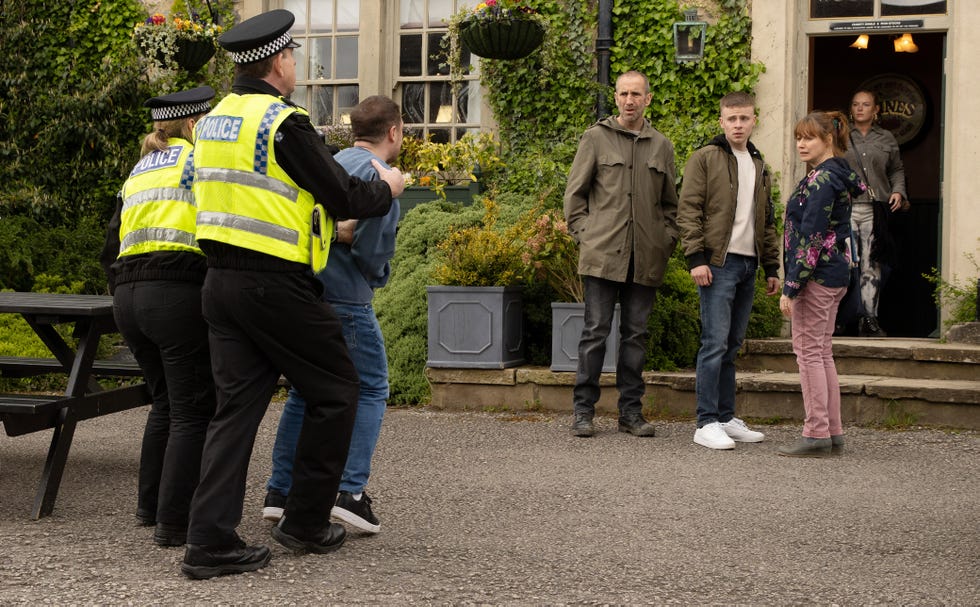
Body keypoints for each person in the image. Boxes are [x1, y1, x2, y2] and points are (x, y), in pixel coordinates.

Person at [179, 9, 404, 580]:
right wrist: (387, 186)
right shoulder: (282, 123)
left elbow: (270, 200)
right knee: (337, 387)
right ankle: (304, 520)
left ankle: (208, 541)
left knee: (234, 412)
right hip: (274, 286)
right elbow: (342, 193)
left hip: (220, 285)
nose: (298, 65)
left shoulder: (213, 121)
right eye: (294, 56)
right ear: (280, 60)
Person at [262, 95, 403, 535]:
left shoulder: (324, 163)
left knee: (305, 393)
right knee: (372, 387)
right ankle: (349, 492)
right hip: (349, 299)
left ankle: (280, 491)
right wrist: (377, 271)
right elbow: (372, 253)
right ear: (395, 132)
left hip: (306, 294)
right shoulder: (381, 178)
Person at [100, 86, 217, 547]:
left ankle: (149, 506)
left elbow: (111, 243)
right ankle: (175, 522)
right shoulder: (196, 161)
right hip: (175, 292)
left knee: (166, 403)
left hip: (128, 296)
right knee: (192, 409)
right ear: (192, 125)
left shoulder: (138, 170)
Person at [563, 70, 679, 438]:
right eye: (623, 93)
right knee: (595, 333)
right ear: (615, 98)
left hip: (645, 258)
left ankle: (631, 413)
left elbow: (670, 206)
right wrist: (587, 235)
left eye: (636, 94)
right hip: (602, 255)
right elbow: (574, 196)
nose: (629, 100)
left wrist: (666, 240)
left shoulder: (662, 145)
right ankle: (584, 412)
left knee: (636, 337)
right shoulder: (595, 139)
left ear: (648, 98)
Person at [677, 91, 781, 451]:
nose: (738, 124)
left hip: (748, 265)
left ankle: (724, 416)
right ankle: (705, 422)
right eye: (732, 118)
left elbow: (765, 219)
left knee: (732, 346)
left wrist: (771, 265)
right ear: (721, 121)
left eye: (745, 118)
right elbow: (688, 208)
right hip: (717, 264)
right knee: (714, 343)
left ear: (755, 120)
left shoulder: (757, 162)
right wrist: (696, 259)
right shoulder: (705, 157)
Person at [778, 110, 865, 458]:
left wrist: (791, 286)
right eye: (799, 137)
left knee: (809, 353)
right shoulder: (837, 174)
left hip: (816, 277)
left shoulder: (821, 180)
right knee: (822, 352)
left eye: (809, 137)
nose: (801, 143)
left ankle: (815, 431)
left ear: (828, 140)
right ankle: (832, 430)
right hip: (834, 274)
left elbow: (812, 236)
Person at [843, 88, 908, 337]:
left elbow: (897, 170)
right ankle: (841, 318)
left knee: (872, 267)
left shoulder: (887, 138)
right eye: (856, 104)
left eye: (866, 104)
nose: (860, 108)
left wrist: (898, 191)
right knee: (845, 265)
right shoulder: (841, 135)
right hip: (845, 209)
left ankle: (868, 319)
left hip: (875, 210)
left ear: (876, 110)